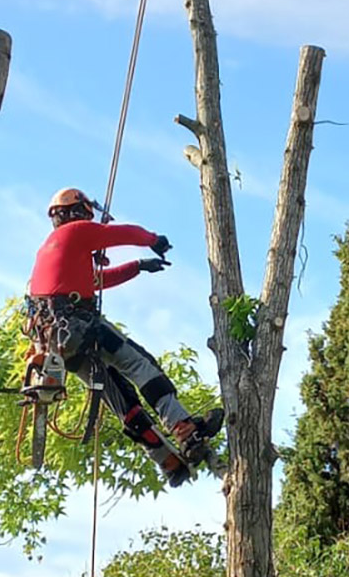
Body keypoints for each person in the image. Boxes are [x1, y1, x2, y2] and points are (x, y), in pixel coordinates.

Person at [23, 187, 222, 487]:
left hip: (58, 344)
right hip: (77, 325)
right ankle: (185, 430)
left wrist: (138, 267)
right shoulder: (76, 233)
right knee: (140, 365)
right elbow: (124, 233)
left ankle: (168, 462)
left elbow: (97, 280)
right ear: (78, 213)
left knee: (118, 395)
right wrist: (153, 240)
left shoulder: (51, 251)